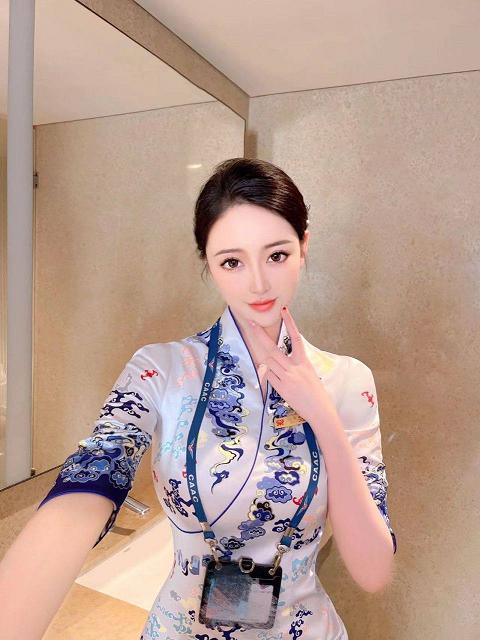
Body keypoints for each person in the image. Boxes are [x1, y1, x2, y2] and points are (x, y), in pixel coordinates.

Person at [0, 158, 397, 639]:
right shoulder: (161, 369)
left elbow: (373, 572)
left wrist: (322, 415)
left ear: (303, 247)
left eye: (276, 255)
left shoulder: (347, 380)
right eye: (232, 262)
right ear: (208, 262)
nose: (257, 283)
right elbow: (94, 473)